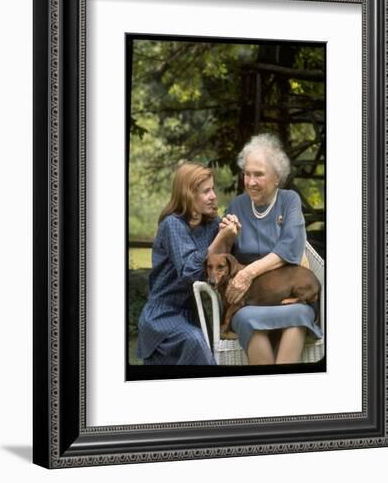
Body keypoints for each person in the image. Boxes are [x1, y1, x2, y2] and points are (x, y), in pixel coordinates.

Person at [222, 133, 323, 365]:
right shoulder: (237, 204)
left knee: (298, 315)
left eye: (258, 174)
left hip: (291, 296)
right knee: (247, 319)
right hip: (250, 301)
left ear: (277, 177)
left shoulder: (289, 201)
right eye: (247, 174)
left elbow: (290, 247)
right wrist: (224, 235)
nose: (250, 181)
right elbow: (221, 256)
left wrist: (247, 273)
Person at [137, 162, 238, 365]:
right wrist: (220, 238)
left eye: (213, 189)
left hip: (193, 314)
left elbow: (219, 266)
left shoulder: (210, 223)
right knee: (194, 343)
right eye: (206, 191)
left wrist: (230, 236)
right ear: (188, 194)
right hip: (164, 314)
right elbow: (190, 272)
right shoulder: (172, 225)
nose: (213, 196)